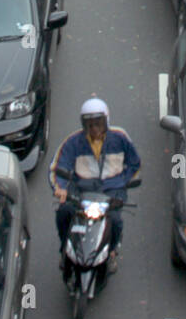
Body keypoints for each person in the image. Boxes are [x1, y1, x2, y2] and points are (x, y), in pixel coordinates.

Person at [51, 98, 141, 274]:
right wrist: (60, 188)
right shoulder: (73, 142)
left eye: (98, 124)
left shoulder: (120, 138)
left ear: (106, 122)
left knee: (115, 220)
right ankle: (65, 249)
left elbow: (135, 164)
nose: (94, 129)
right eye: (89, 125)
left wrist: (123, 183)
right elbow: (58, 167)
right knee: (64, 213)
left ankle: (112, 252)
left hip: (112, 191)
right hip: (82, 191)